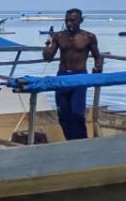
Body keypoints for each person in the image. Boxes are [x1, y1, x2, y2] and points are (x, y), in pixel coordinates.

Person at [41, 8, 102, 141]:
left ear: (81, 20)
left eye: (73, 20)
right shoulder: (58, 36)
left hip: (80, 75)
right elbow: (48, 57)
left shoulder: (88, 37)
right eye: (67, 20)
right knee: (63, 114)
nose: (69, 23)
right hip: (62, 75)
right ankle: (70, 141)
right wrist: (47, 44)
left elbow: (97, 56)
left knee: (77, 113)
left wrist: (97, 69)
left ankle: (82, 141)